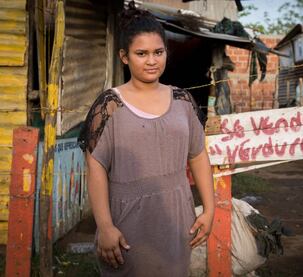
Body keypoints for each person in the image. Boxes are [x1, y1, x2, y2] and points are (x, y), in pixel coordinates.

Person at [78, 2, 215, 276]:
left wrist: (209, 210)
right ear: (124, 56)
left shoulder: (182, 101)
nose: (151, 60)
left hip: (176, 219)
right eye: (141, 53)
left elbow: (198, 155)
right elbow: (95, 167)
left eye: (158, 52)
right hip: (127, 225)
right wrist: (105, 226)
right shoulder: (109, 105)